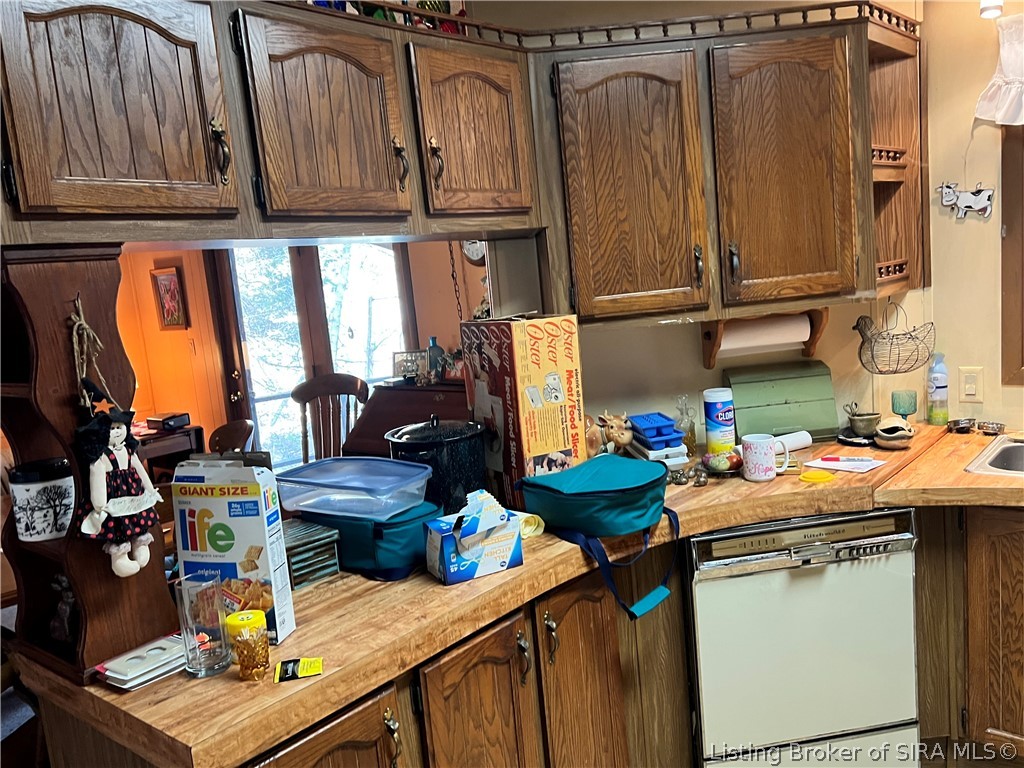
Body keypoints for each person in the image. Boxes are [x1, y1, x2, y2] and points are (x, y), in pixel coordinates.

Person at [74, 381, 162, 578]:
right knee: (118, 527)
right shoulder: (100, 459)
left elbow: (140, 470)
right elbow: (97, 480)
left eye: (119, 426)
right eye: (111, 427)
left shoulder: (129, 451)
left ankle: (140, 544)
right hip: (113, 498)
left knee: (138, 520)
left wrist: (150, 489)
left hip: (133, 495)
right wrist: (99, 504)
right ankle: (120, 558)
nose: (117, 431)